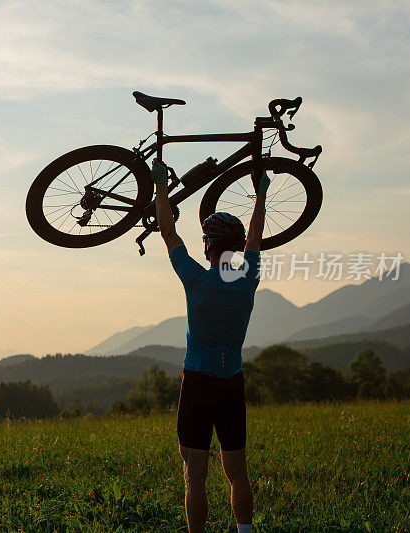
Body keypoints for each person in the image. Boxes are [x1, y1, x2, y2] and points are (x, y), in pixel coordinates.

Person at [149, 159, 269, 533]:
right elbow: (255, 237)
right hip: (232, 383)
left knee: (194, 476)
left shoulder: (196, 280)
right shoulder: (248, 277)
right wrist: (261, 193)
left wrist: (160, 188)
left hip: (198, 383)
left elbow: (169, 233)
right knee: (238, 473)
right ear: (235, 249)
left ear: (208, 247)